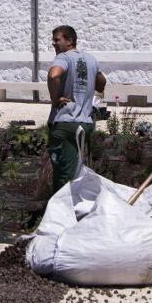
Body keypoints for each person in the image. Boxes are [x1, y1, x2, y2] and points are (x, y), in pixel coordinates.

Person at [46, 25, 106, 192]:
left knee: (62, 175)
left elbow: (53, 75)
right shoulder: (91, 59)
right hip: (85, 123)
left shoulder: (64, 58)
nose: (54, 44)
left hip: (65, 122)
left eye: (57, 40)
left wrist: (55, 98)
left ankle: (62, 213)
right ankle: (75, 208)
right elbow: (101, 83)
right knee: (76, 171)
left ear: (70, 41)